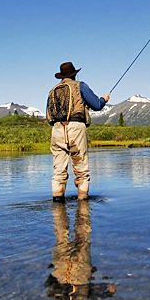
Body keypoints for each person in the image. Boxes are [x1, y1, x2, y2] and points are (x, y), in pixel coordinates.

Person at [45, 61, 109, 201]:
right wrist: (104, 99)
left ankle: (57, 203)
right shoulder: (80, 85)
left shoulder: (52, 91)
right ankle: (83, 202)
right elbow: (97, 105)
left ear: (61, 76)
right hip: (76, 128)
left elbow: (49, 116)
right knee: (81, 170)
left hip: (56, 129)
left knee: (58, 171)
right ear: (74, 74)